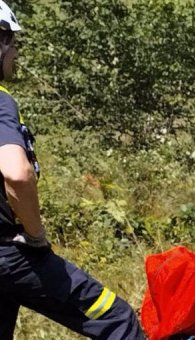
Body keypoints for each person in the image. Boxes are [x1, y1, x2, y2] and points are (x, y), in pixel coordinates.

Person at [0, 2, 145, 338]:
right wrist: (35, 235)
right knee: (116, 319)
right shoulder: (1, 101)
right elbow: (16, 173)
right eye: (12, 42)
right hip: (14, 253)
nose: (16, 53)